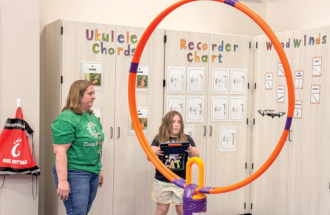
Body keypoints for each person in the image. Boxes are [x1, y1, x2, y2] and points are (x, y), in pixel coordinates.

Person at [51, 80, 105, 215]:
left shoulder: (90, 117)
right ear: (78, 95)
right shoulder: (66, 119)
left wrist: (99, 168)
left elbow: (96, 145)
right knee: (77, 212)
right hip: (74, 172)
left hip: (92, 171)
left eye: (94, 93)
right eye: (90, 93)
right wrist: (63, 181)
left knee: (83, 212)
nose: (94, 96)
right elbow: (60, 151)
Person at [150, 111, 199, 215]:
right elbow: (149, 156)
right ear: (167, 123)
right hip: (162, 181)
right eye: (173, 121)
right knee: (161, 210)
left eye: (179, 122)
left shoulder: (187, 139)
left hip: (181, 181)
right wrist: (154, 151)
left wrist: (191, 150)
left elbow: (196, 157)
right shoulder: (159, 138)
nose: (176, 124)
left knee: (182, 210)